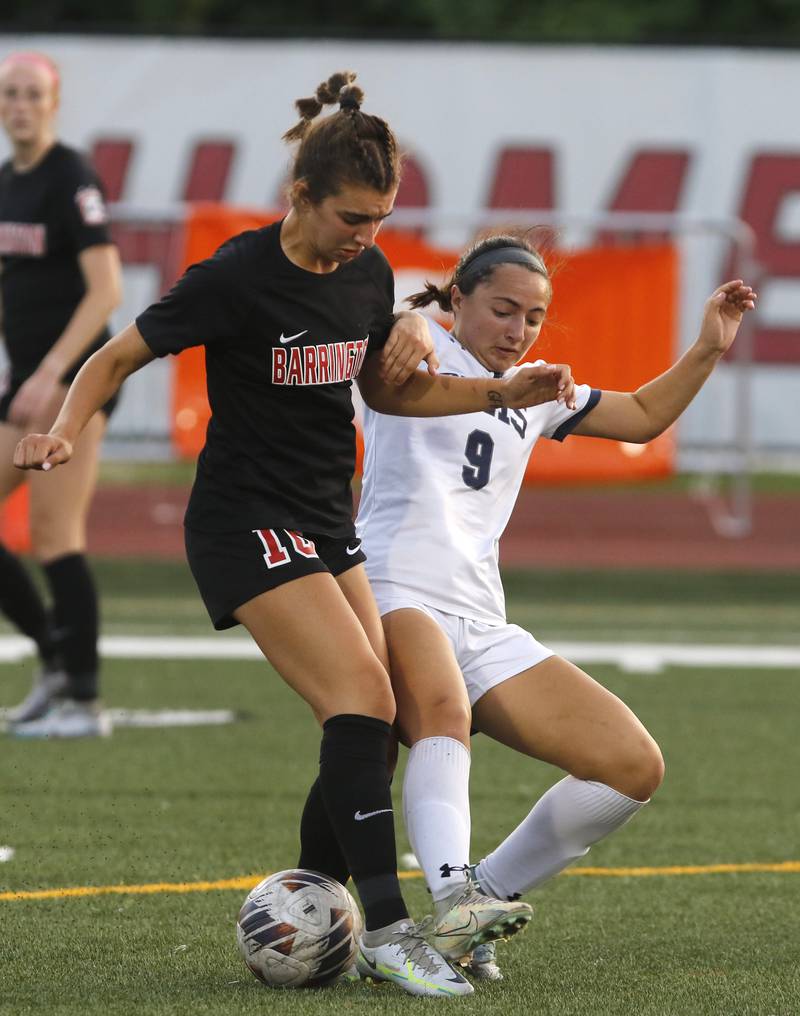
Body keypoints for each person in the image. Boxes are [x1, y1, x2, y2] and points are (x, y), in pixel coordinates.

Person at [14, 74, 577, 997]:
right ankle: (391, 931)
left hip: (323, 517)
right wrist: (66, 428)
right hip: (244, 520)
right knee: (359, 699)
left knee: (390, 714)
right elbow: (118, 353)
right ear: (300, 197)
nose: (369, 235)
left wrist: (495, 391)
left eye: (383, 217)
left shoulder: (367, 274)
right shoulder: (236, 277)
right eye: (353, 215)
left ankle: (313, 902)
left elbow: (388, 391)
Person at [355, 232, 757, 979]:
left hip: (479, 614)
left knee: (630, 765)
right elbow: (370, 328)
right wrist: (407, 321)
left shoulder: (536, 389)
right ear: (459, 297)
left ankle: (480, 901)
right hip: (392, 589)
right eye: (503, 310)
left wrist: (708, 347)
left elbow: (639, 415)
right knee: (441, 712)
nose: (518, 330)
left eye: (534, 317)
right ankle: (450, 899)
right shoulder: (420, 351)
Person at [0, 51, 122, 738]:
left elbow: (106, 290)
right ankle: (53, 659)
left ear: (54, 102)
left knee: (55, 534)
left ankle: (83, 700)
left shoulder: (69, 175)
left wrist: (50, 372)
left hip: (72, 381)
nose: (20, 105)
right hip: (25, 383)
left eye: (32, 94)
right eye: (10, 93)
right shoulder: (6, 183)